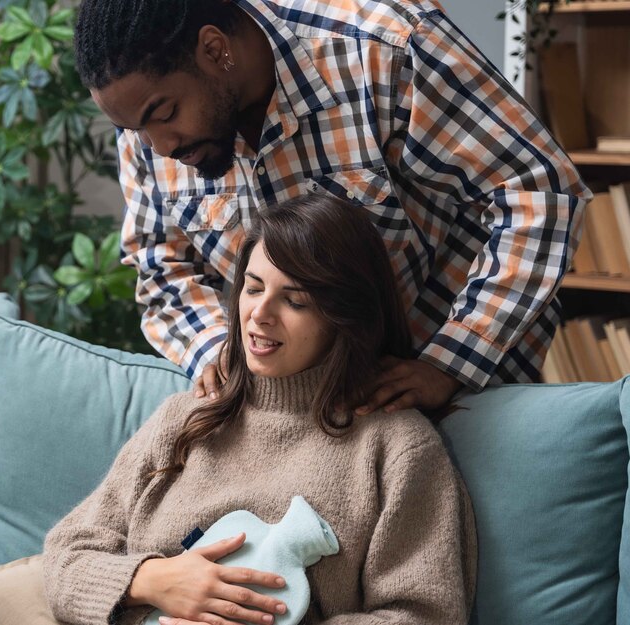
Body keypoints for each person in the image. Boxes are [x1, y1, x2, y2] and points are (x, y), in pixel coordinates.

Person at [73, 0, 591, 415]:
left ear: (214, 49)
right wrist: (215, 349)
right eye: (133, 130)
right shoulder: (148, 130)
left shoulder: (386, 48)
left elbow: (538, 193)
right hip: (297, 417)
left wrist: (452, 361)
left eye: (163, 114)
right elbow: (160, 262)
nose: (158, 146)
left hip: (453, 389)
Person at [42, 194, 476, 625]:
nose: (259, 314)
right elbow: (66, 558)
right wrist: (155, 580)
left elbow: (423, 614)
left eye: (295, 300)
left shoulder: (398, 447)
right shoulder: (185, 418)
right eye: (252, 288)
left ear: (345, 316)